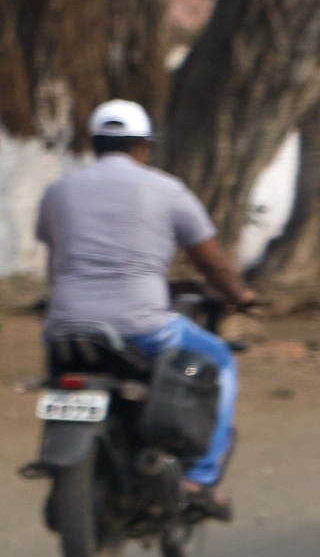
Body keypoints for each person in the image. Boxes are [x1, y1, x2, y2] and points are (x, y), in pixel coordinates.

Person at [35, 101, 259, 514]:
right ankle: (200, 478)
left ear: (95, 144)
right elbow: (211, 261)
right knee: (222, 358)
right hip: (142, 326)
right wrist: (239, 295)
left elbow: (58, 258)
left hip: (65, 327)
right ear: (143, 146)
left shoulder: (57, 191)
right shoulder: (167, 189)